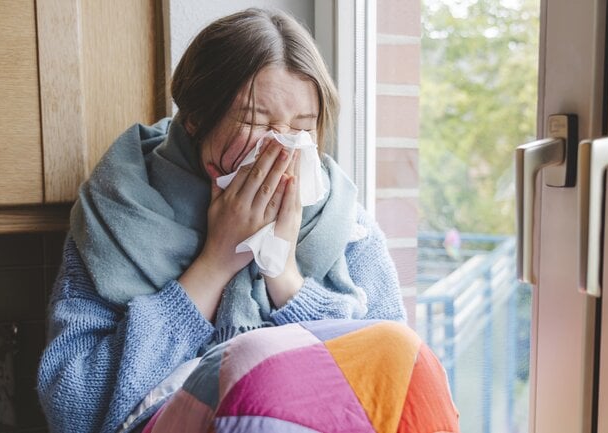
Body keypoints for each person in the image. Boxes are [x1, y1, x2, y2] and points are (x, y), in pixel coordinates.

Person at [38, 8, 457, 433]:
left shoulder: (343, 223)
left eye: (302, 128)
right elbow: (74, 408)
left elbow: (391, 386)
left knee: (404, 351)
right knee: (254, 363)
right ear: (197, 117)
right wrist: (215, 263)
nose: (282, 146)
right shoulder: (118, 211)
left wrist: (283, 272)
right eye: (257, 123)